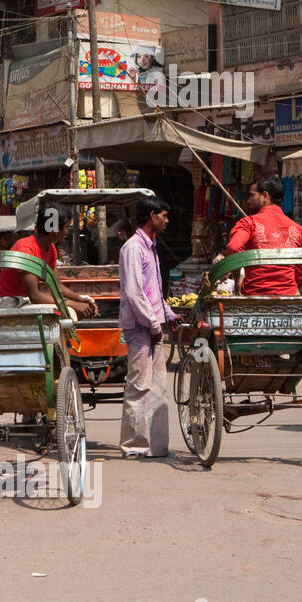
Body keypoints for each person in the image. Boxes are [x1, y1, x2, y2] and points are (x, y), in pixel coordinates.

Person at [117, 196, 178, 458]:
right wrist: (153, 323)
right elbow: (134, 293)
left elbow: (153, 291)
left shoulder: (150, 247)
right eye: (164, 215)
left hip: (152, 325)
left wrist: (168, 314)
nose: (167, 220)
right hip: (141, 328)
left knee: (158, 387)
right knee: (139, 386)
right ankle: (134, 445)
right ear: (152, 215)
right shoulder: (133, 248)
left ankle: (156, 445)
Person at [0, 203, 97, 318]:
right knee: (67, 311)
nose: (67, 232)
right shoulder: (26, 249)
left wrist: (81, 300)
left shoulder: (50, 248)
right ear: (55, 230)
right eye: (66, 227)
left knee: (72, 310)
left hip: (27, 301)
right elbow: (35, 295)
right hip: (12, 302)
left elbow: (56, 286)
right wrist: (73, 304)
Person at [224, 174, 302, 295]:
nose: (248, 200)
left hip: (254, 294)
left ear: (265, 196)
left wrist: (238, 280)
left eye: (252, 195)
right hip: (288, 296)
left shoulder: (248, 223)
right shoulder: (300, 230)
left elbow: (233, 248)